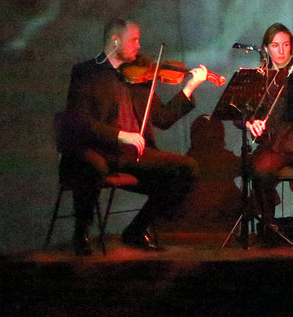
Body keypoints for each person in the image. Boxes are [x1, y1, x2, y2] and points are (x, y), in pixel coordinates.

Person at [60, 18, 209, 255]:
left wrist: (189, 88)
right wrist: (121, 135)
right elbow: (81, 122)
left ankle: (136, 230)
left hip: (133, 153)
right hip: (99, 149)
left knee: (186, 169)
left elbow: (163, 119)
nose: (139, 46)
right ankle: (81, 233)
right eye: (134, 40)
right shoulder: (86, 73)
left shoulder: (140, 76)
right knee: (91, 167)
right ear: (115, 40)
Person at [244, 23, 293, 246]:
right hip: (273, 145)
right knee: (261, 168)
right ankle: (269, 225)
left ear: (292, 47)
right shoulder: (258, 77)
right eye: (275, 45)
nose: (281, 51)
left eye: (286, 45)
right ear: (266, 48)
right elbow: (241, 112)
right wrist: (251, 122)